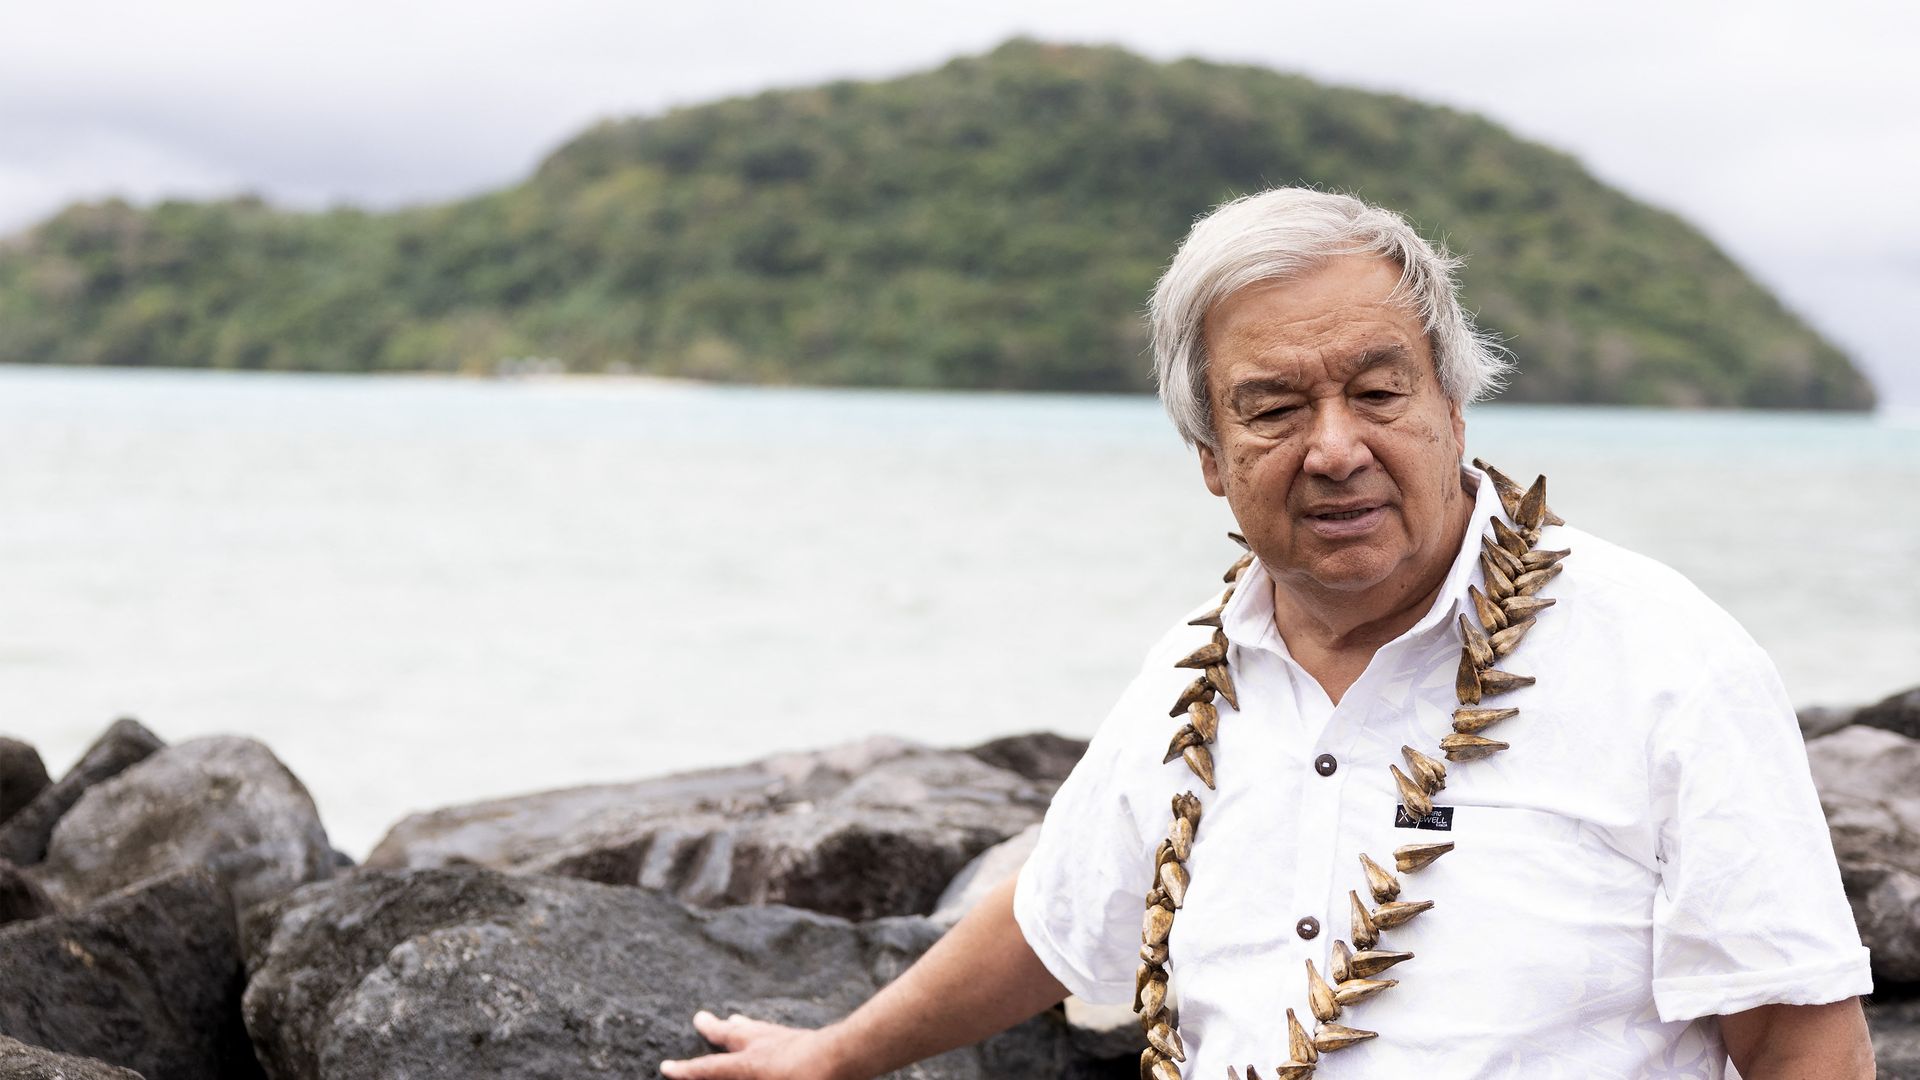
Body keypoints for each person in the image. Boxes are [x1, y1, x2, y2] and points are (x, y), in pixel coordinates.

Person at [659, 188, 1875, 1080]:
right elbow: (1056, 914)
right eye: (1274, 407)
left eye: (1379, 390)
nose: (1335, 446)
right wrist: (833, 1058)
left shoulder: (1668, 661)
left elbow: (1800, 1038)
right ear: (1210, 460)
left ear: (1453, 405)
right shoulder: (1195, 670)